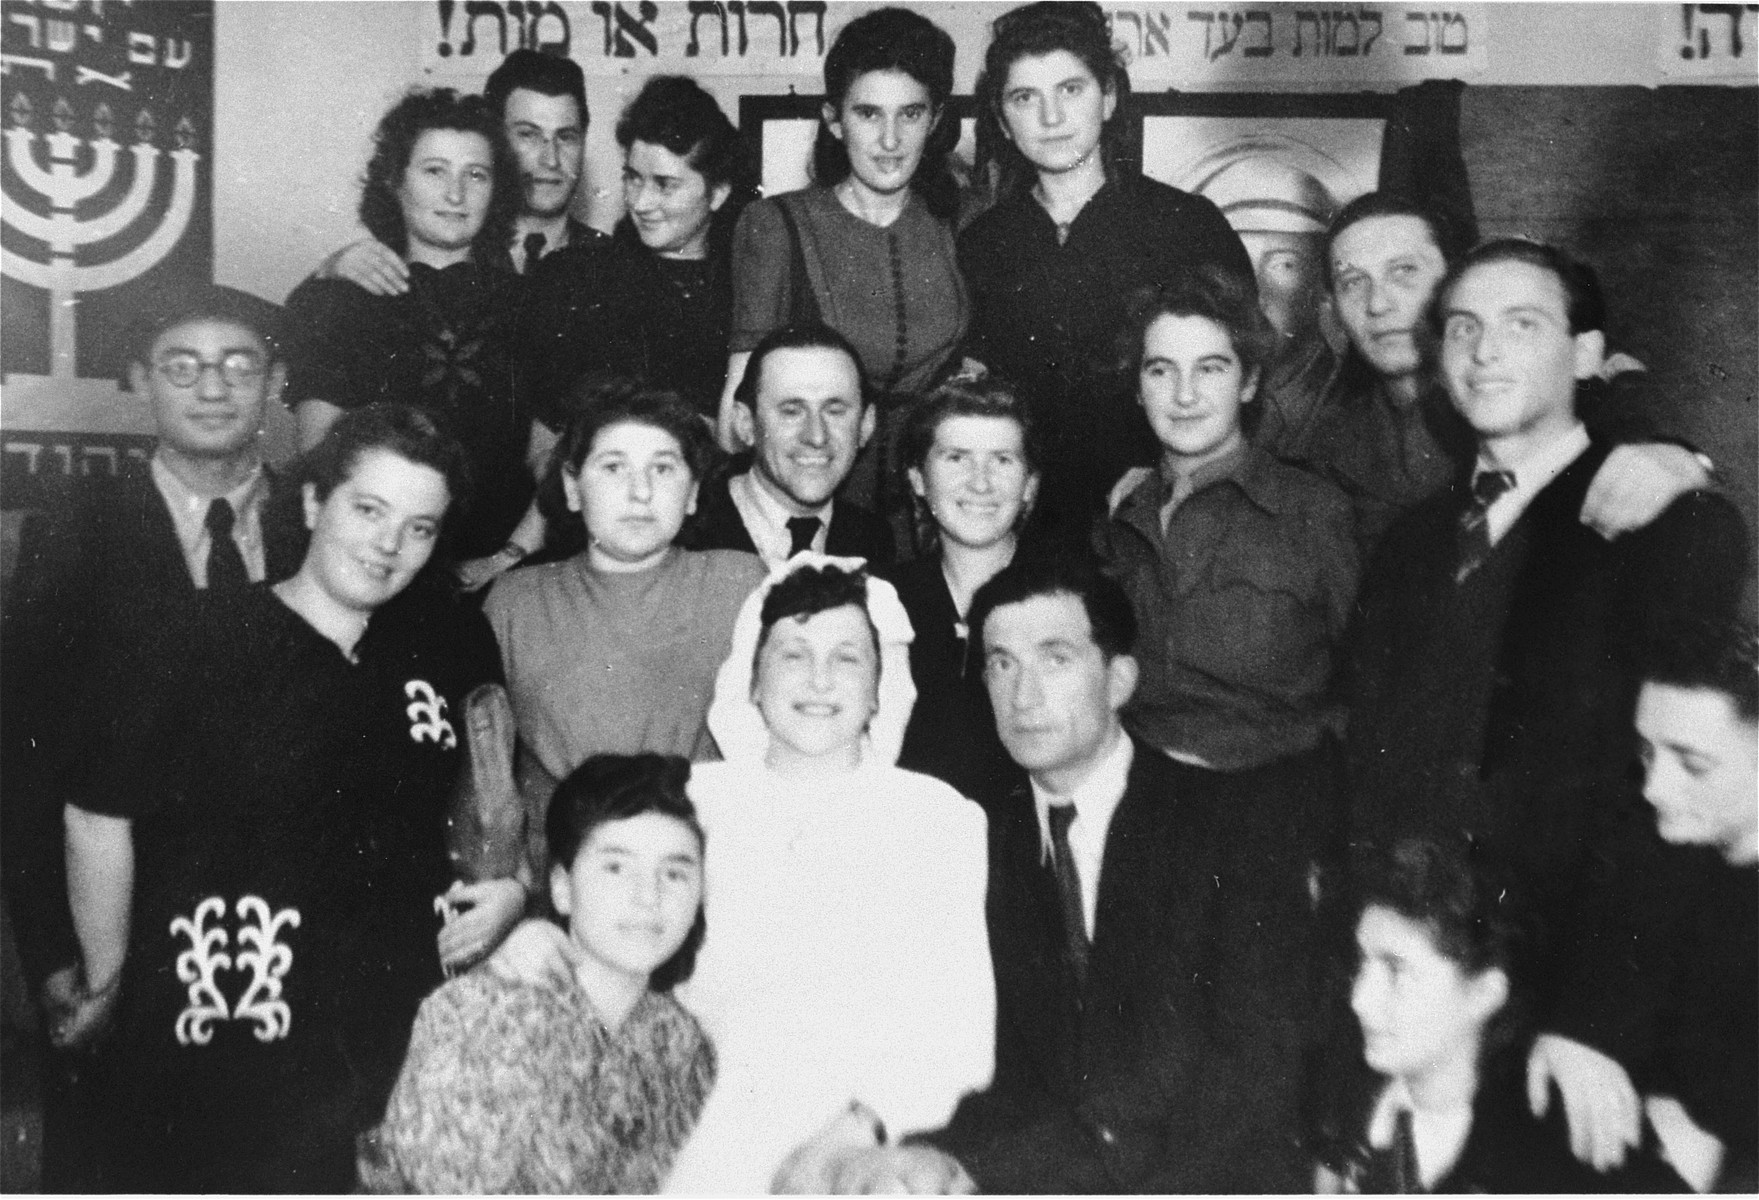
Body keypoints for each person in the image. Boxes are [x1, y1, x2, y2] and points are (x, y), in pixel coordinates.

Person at [58, 405, 513, 1191]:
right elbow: (98, 814)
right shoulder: (192, 636)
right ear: (312, 506)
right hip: (223, 1011)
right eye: (367, 509)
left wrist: (508, 888)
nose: (388, 545)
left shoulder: (449, 645)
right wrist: (109, 981)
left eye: (419, 528)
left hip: (390, 1011)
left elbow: (487, 800)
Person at [834, 556, 1324, 1193]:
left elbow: (1256, 1079)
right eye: (1002, 663)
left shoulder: (1229, 826)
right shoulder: (980, 844)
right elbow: (998, 1076)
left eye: (1055, 658)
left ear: (1119, 679)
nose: (1024, 694)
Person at [1344, 239, 1748, 997]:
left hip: (1572, 979)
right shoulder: (1409, 541)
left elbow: (1676, 811)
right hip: (1415, 976)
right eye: (1462, 327)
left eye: (1521, 325)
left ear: (1587, 353)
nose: (1484, 351)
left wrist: (1594, 1022)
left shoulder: (1668, 520)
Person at [2, 283, 307, 1191]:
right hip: (114, 925)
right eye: (183, 365)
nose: (212, 388)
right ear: (139, 380)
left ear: (277, 382)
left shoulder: (324, 522)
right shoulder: (70, 534)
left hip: (278, 925)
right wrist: (51, 948)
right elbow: (25, 756)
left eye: (238, 364)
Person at [670, 559, 991, 1192]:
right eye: (793, 655)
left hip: (863, 1151)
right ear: (751, 681)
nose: (819, 680)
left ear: (879, 689)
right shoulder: (685, 805)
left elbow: (960, 1028)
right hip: (694, 1142)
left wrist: (853, 1135)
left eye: (846, 658)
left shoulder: (937, 820)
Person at [1259, 191, 1715, 555]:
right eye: (1354, 281)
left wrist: (1682, 457)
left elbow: (1636, 436)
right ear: (1334, 308)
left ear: (1453, 283)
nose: (1378, 304)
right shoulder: (1325, 442)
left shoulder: (1534, 399)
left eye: (1404, 272)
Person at [359, 753, 716, 1194]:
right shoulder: (478, 1018)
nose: (649, 897)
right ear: (563, 888)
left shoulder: (678, 1045)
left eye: (675, 873)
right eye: (616, 867)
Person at [959, 1, 1253, 529]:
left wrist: (1172, 472)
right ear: (1002, 121)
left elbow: (1244, 382)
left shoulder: (1187, 225)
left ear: (1110, 97)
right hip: (1015, 522)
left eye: (1071, 90)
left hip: (1164, 514)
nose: (1052, 118)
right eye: (1026, 98)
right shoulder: (984, 243)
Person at [482, 383, 765, 864]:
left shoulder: (740, 583)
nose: (641, 492)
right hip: (558, 879)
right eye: (614, 467)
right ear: (573, 488)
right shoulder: (513, 602)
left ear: (693, 492)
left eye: (663, 468)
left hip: (708, 865)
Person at [716, 7, 967, 539]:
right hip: (811, 516)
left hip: (934, 520)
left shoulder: (957, 222)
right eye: (869, 114)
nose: (891, 140)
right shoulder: (775, 225)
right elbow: (735, 423)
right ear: (834, 120)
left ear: (936, 120)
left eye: (911, 114)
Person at [1097, 266, 1357, 778]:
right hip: (1139, 790)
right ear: (1137, 388)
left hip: (1274, 793)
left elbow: (1369, 689)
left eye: (1211, 368)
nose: (1185, 395)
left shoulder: (1314, 511)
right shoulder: (1120, 519)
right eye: (1160, 371)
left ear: (1249, 381)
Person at [282, 88, 547, 590]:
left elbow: (550, 457)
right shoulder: (338, 301)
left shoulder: (528, 305)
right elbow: (318, 458)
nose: (456, 194)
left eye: (476, 174)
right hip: (369, 571)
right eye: (434, 171)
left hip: (497, 576)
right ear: (393, 181)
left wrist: (507, 557)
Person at [1528, 618, 1757, 1193]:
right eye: (1648, 753)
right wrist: (1569, 1038)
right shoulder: (1649, 842)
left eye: (1692, 763)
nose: (1654, 786)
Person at [1310, 838, 1600, 1193]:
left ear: (1483, 995)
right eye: (1363, 964)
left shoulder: (1541, 1162)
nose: (1359, 1000)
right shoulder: (1356, 1107)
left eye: (1396, 971)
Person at [520, 75, 752, 424]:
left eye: (665, 185)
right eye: (633, 178)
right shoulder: (575, 277)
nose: (641, 202)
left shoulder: (748, 289)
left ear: (718, 192)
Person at [313, 48, 603, 290]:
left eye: (566, 137)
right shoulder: (441, 237)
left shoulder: (614, 262)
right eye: (527, 134)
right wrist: (331, 268)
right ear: (496, 141)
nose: (550, 160)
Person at [880, 374, 1043, 803]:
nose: (981, 482)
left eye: (1003, 460)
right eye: (956, 458)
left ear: (1029, 485)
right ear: (917, 479)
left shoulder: (1068, 602)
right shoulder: (879, 601)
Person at [682, 324, 893, 567]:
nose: (816, 436)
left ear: (866, 425)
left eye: (835, 411)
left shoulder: (873, 539)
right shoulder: (687, 531)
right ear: (745, 424)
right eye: (791, 411)